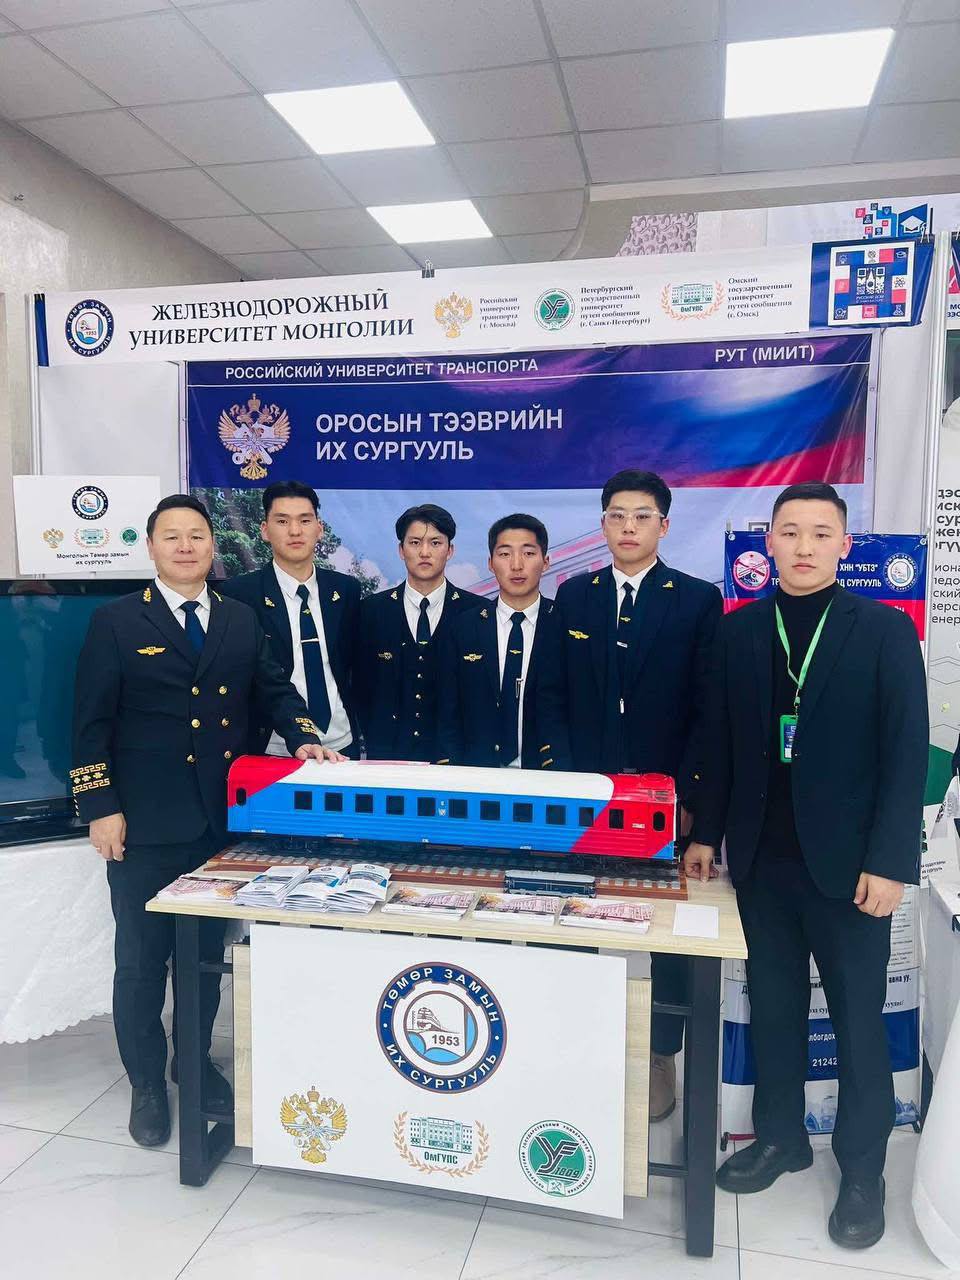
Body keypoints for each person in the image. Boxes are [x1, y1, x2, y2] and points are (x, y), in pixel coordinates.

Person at [687, 481, 927, 1250]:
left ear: (844, 546)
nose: (803, 546)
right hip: (763, 861)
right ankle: (781, 1138)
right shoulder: (740, 632)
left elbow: (906, 754)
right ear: (770, 543)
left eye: (821, 533)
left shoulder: (884, 631)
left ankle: (862, 1171)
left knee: (858, 1024)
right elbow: (720, 742)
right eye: (789, 532)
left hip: (853, 871)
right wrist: (706, 832)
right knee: (775, 1008)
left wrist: (890, 862)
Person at [71, 494, 343, 1148]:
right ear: (151, 547)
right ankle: (145, 1084)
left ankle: (191, 1064)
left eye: (197, 535)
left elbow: (274, 689)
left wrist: (303, 736)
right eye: (172, 536)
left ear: (212, 546)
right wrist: (100, 807)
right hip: (142, 824)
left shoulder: (239, 619)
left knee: (202, 957)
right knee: (142, 962)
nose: (186, 546)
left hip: (218, 824)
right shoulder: (115, 621)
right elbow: (89, 723)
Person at [539, 469, 721, 1120]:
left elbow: (708, 707)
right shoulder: (575, 595)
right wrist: (562, 777)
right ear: (602, 523)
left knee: (665, 933)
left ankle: (661, 1054)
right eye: (616, 515)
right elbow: (551, 694)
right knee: (568, 917)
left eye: (642, 516)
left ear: (663, 526)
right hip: (584, 795)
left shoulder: (696, 600)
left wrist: (689, 792)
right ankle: (570, 1039)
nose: (628, 527)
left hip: (663, 799)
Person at [219, 480, 361, 758]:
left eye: (305, 520)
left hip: (342, 743)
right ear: (264, 530)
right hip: (273, 748)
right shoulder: (238, 594)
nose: (295, 531)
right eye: (282, 521)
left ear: (319, 528)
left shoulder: (345, 590)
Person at [357, 503, 483, 761]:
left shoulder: (477, 612)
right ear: (401, 550)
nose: (425, 552)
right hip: (386, 759)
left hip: (457, 762)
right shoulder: (372, 610)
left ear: (450, 550)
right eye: (415, 543)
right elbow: (360, 686)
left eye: (435, 543)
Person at [436, 514, 560, 768]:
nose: (516, 565)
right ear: (491, 563)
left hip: (550, 776)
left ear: (545, 562)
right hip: (477, 775)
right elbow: (447, 711)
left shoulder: (564, 625)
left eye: (528, 553)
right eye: (504, 554)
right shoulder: (463, 628)